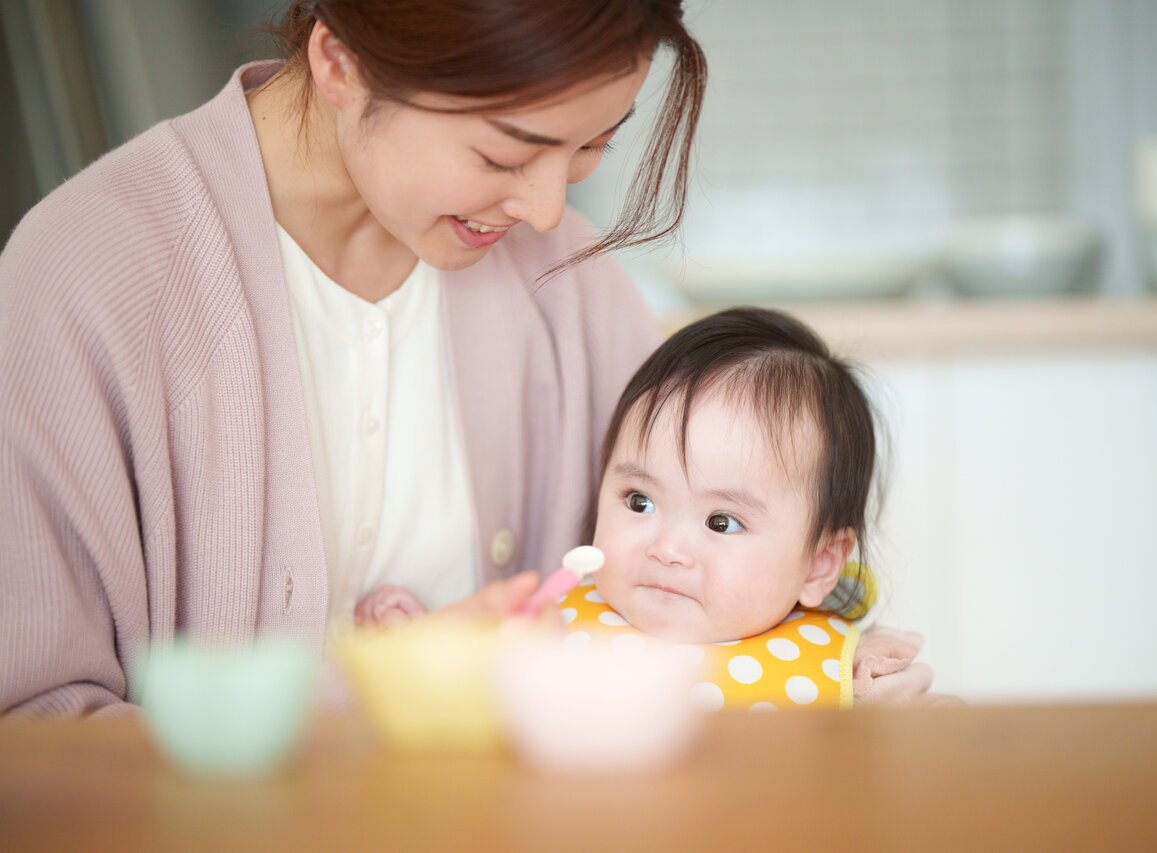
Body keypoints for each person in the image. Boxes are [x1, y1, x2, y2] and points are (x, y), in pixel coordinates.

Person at [0, 0, 706, 717]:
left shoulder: (570, 286)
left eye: (592, 147)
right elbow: (36, 738)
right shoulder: (83, 275)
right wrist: (374, 698)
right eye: (506, 155)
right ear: (339, 63)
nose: (549, 209)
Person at [361, 307, 943, 709]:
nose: (666, 549)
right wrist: (416, 648)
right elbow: (460, 704)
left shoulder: (849, 678)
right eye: (639, 501)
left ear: (820, 564)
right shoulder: (546, 627)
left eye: (722, 522)